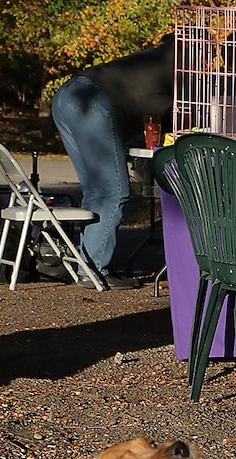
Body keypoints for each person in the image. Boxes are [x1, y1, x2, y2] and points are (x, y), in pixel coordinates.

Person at [50, 36, 175, 288]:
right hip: (91, 103)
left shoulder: (149, 59)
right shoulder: (174, 70)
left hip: (66, 94)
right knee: (114, 191)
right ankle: (94, 269)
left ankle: (85, 264)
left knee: (97, 190)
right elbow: (166, 118)